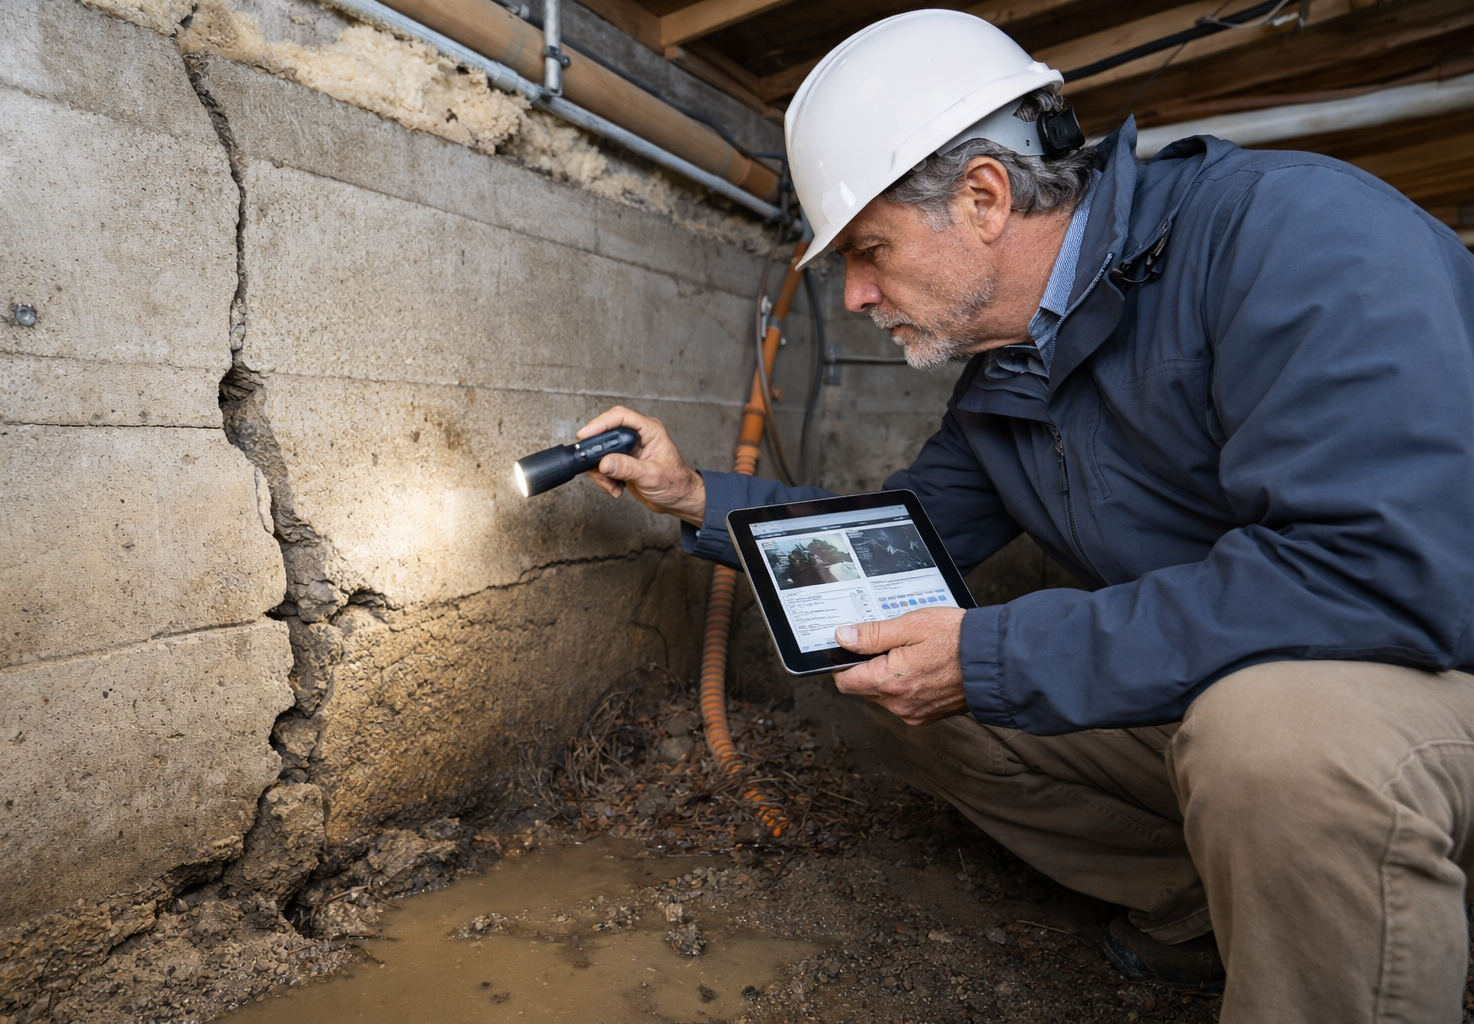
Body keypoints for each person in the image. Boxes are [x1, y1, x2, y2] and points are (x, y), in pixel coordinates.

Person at [578, 10, 1474, 1022]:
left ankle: (1376, 903)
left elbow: (1373, 572)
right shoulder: (1010, 379)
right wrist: (694, 493)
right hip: (1239, 673)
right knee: (893, 677)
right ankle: (1220, 903)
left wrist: (997, 652)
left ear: (985, 196)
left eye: (869, 249)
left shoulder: (1295, 239)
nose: (859, 294)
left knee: (1274, 743)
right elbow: (892, 537)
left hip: (1426, 676)